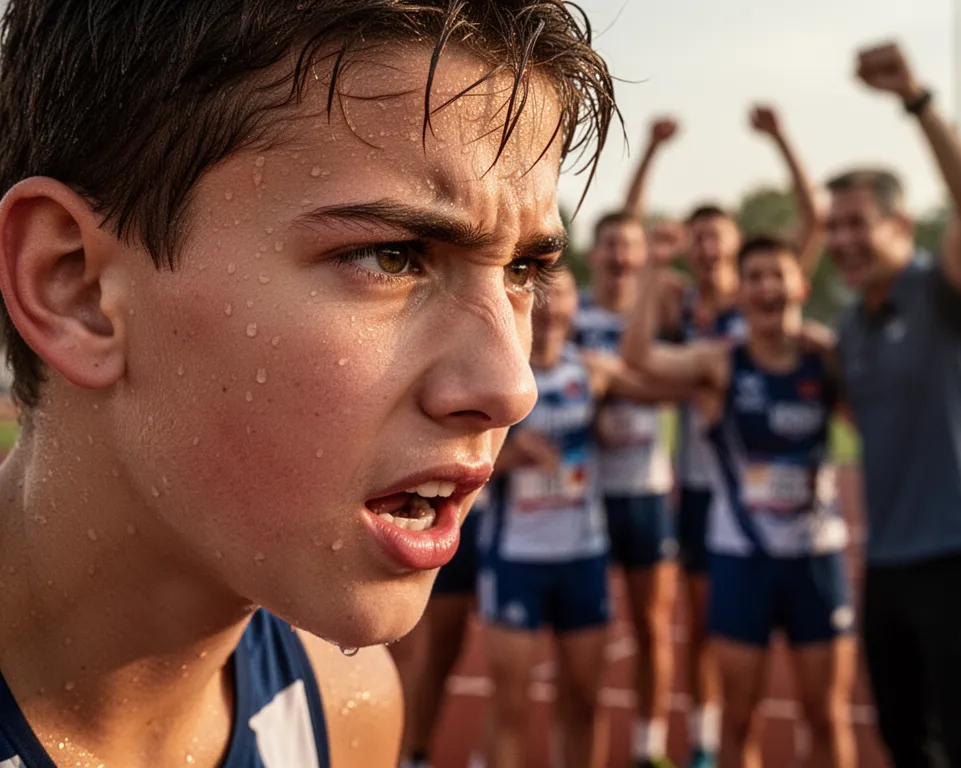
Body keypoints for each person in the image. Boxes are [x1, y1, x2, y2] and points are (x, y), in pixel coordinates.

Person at [0, 2, 616, 766]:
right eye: (391, 256)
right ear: (77, 288)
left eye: (523, 270)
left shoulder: (343, 709)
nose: (511, 385)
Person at [829, 41, 961, 767]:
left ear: (901, 227)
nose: (842, 238)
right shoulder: (851, 322)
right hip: (889, 560)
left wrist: (917, 99)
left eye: (858, 222)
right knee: (907, 743)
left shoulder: (946, 294)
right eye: (834, 224)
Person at [623, 236, 857, 768]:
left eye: (778, 275)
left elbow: (880, 420)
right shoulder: (721, 364)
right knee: (738, 716)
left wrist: (843, 357)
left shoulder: (824, 363)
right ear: (742, 292)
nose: (767, 287)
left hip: (816, 558)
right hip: (741, 559)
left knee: (826, 715)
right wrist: (649, 283)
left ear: (800, 285)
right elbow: (638, 356)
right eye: (755, 278)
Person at [479, 269, 684, 768]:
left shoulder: (593, 371)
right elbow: (459, 465)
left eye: (562, 296)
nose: (550, 309)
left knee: (585, 702)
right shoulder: (497, 377)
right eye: (541, 296)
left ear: (576, 307)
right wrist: (508, 457)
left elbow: (666, 390)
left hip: (582, 557)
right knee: (510, 707)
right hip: (516, 559)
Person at [672, 105, 825, 768]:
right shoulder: (677, 304)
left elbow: (811, 227)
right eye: (698, 237)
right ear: (690, 246)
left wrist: (782, 140)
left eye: (719, 238)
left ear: (735, 248)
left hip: (768, 495)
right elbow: (639, 354)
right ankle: (705, 739)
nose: (709, 248)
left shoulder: (759, 301)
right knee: (702, 627)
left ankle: (716, 742)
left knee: (742, 637)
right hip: (701, 482)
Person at [573, 117, 682, 768]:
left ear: (640, 256)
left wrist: (652, 151)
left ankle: (649, 747)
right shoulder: (570, 312)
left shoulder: (656, 314)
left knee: (649, 625)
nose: (619, 254)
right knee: (584, 633)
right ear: (597, 252)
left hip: (644, 489)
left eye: (628, 246)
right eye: (608, 244)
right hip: (580, 496)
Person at [394, 488, 492, 768]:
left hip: (514, 524)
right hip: (449, 510)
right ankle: (412, 755)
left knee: (507, 658)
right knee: (432, 651)